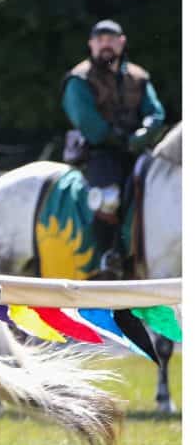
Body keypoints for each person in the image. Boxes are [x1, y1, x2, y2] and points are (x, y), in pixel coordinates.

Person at [61, 19, 166, 277]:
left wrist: (145, 133)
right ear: (91, 44)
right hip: (99, 153)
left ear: (122, 42)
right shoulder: (79, 78)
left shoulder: (139, 77)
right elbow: (89, 123)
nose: (105, 44)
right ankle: (109, 256)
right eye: (100, 39)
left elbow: (156, 112)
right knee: (109, 199)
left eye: (111, 39)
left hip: (137, 150)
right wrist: (123, 140)